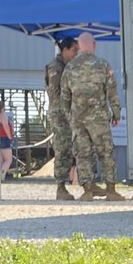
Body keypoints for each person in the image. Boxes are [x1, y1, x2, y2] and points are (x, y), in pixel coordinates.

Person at [60, 32, 122, 201]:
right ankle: (111, 191)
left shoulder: (70, 68)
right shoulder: (103, 66)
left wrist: (70, 118)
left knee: (83, 154)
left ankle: (87, 191)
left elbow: (64, 97)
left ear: (79, 46)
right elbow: (112, 92)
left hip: (78, 120)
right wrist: (116, 113)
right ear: (93, 44)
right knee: (106, 153)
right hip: (99, 119)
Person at [44, 36, 80, 201]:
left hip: (67, 114)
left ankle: (65, 184)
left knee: (69, 149)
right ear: (65, 50)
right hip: (60, 115)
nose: (76, 53)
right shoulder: (56, 67)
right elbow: (55, 93)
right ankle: (60, 187)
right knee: (62, 149)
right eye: (74, 50)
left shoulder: (68, 67)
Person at [0, 98, 15, 180]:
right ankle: (2, 176)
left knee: (1, 160)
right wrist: (10, 136)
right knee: (8, 160)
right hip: (4, 137)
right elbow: (5, 126)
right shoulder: (2, 114)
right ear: (3, 106)